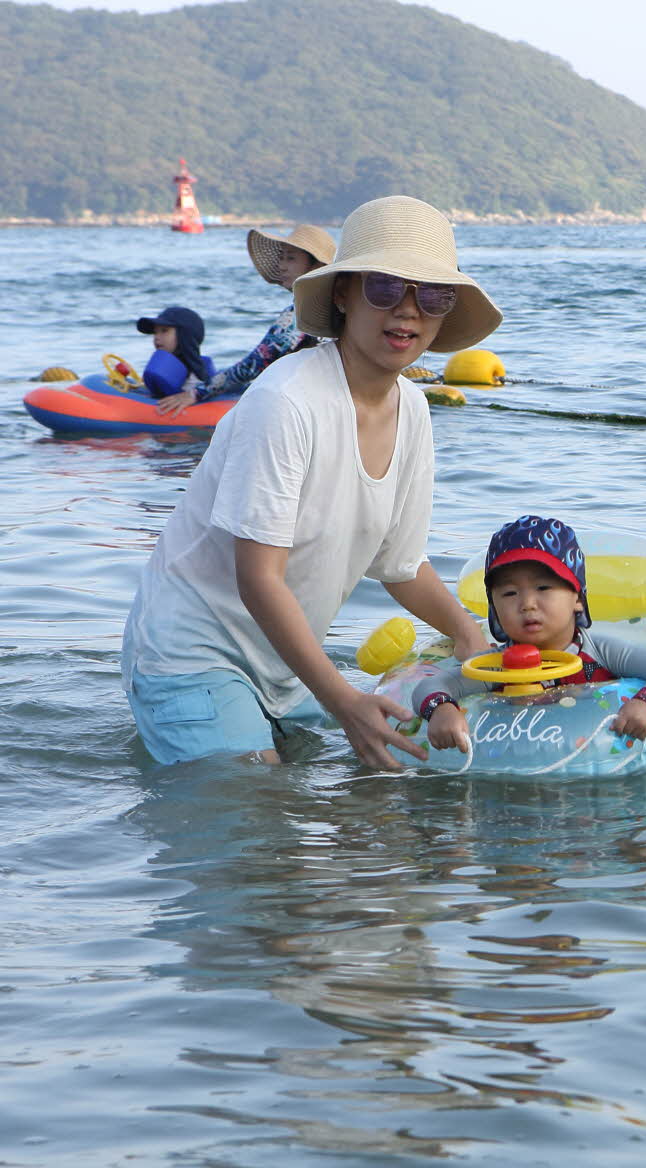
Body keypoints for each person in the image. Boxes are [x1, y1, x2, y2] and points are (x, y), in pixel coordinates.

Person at [121, 195, 500, 768]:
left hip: (281, 664)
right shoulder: (286, 399)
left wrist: (471, 636)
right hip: (190, 651)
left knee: (374, 780)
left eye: (432, 295)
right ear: (342, 293)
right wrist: (343, 700)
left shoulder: (414, 410)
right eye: (384, 287)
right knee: (258, 799)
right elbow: (258, 577)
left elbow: (400, 566)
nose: (407, 311)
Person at [412, 516, 646, 754]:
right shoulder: (495, 667)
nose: (527, 604)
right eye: (509, 593)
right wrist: (442, 709)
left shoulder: (601, 652)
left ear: (577, 598)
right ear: (494, 608)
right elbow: (433, 685)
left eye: (543, 588)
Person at [155, 225, 337, 419]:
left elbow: (253, 365)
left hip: (304, 407)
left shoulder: (298, 313)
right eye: (282, 257)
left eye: (291, 259)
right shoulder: (335, 307)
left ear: (316, 267)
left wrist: (197, 393)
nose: (282, 266)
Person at [136, 305, 215, 399]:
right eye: (155, 332)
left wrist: (195, 394)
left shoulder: (197, 376)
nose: (156, 337)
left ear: (185, 336)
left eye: (164, 331)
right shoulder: (161, 370)